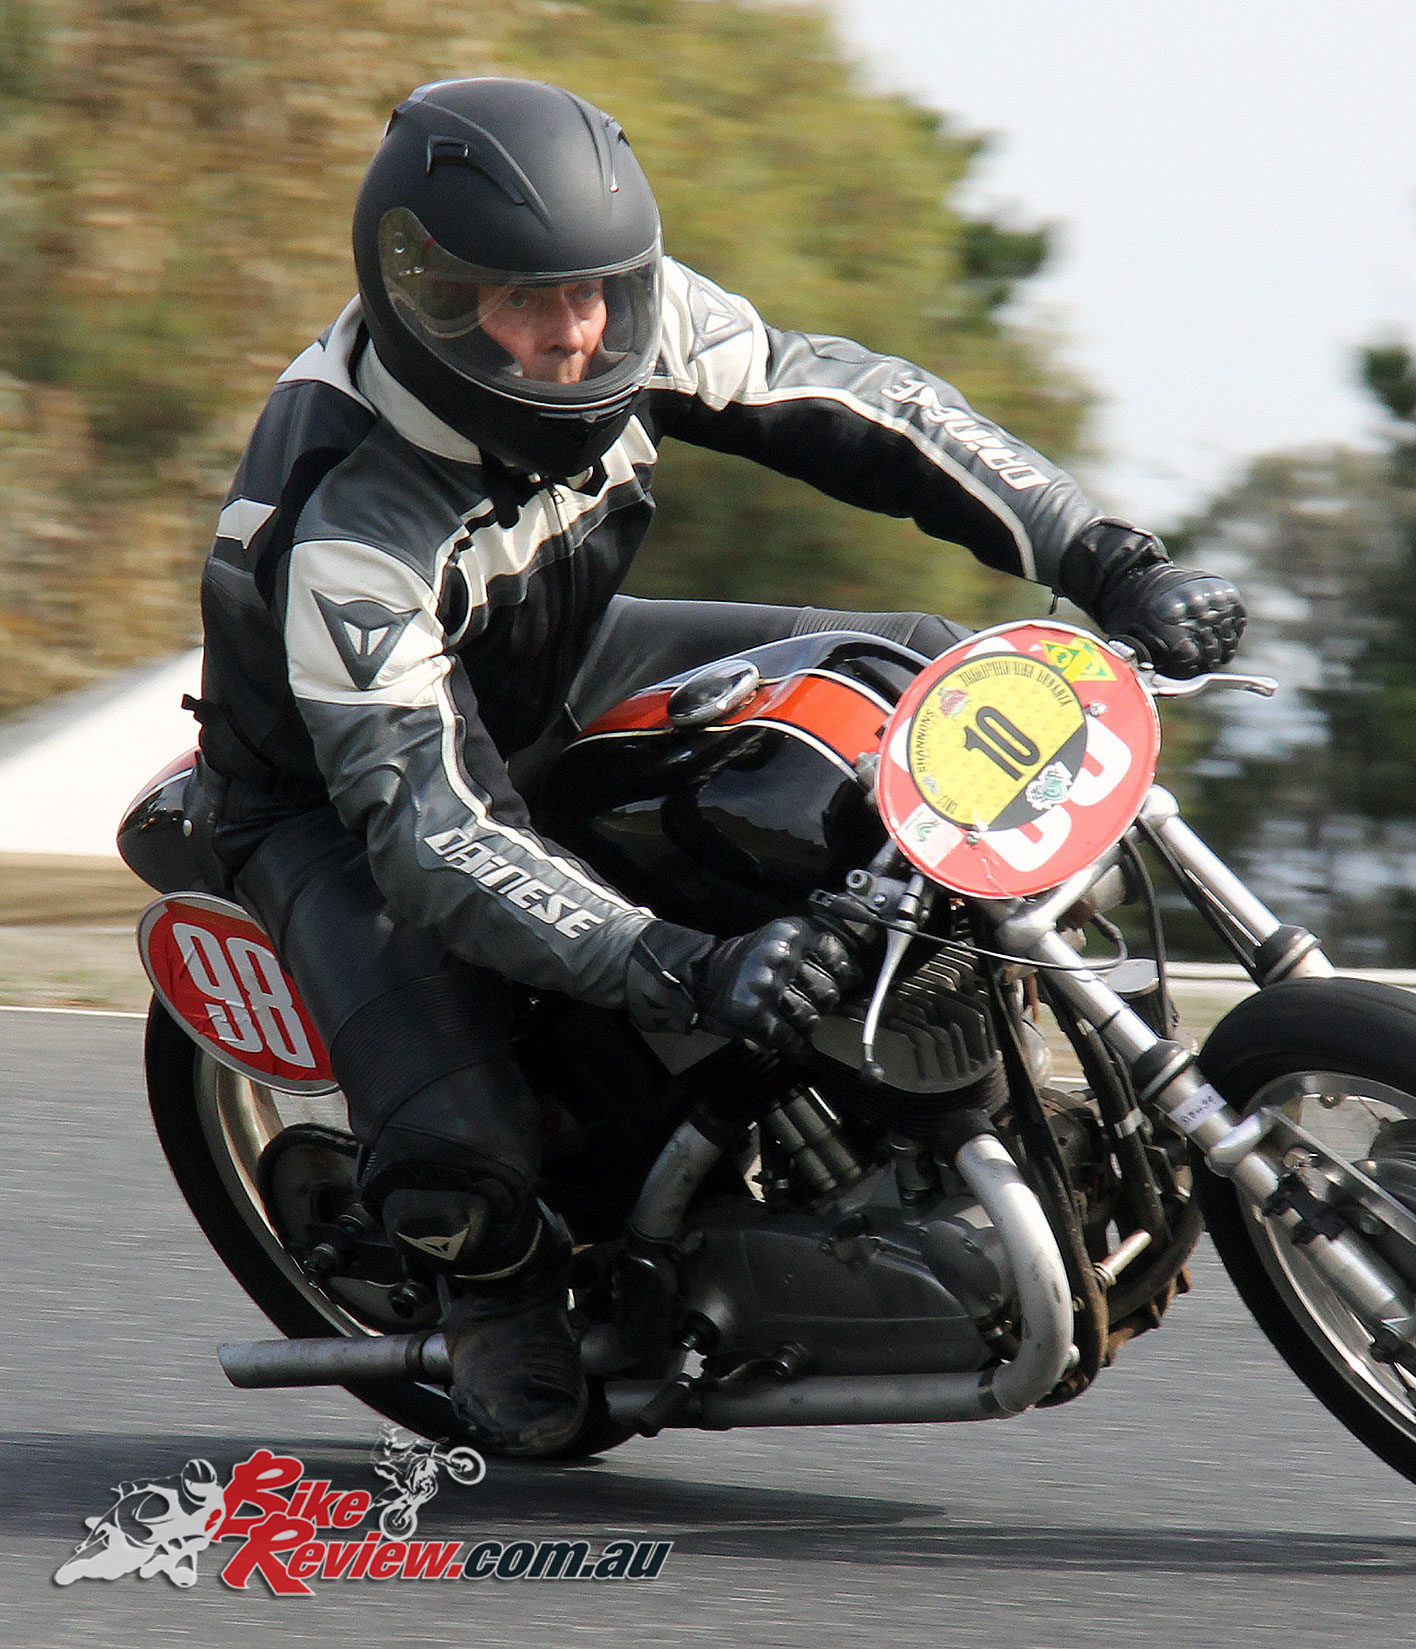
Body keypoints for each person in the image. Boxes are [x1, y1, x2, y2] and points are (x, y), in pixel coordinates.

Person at [190, 76, 1245, 1455]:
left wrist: (1105, 557)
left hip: (552, 659)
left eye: (596, 292)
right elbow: (435, 832)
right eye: (526, 302)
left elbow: (873, 409)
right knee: (463, 1149)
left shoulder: (627, 317)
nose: (577, 333)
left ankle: (972, 1040)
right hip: (338, 795)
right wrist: (683, 965)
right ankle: (497, 1292)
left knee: (922, 679)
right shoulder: (348, 526)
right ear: (431, 299)